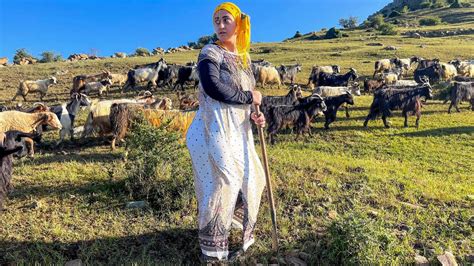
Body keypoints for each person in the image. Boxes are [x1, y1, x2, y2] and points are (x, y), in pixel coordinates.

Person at [185, 2, 266, 262]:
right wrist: (248, 95)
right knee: (222, 183)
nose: (220, 25)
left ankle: (232, 228)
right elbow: (212, 87)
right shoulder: (210, 52)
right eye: (216, 20)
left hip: (238, 129)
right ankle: (212, 251)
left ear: (238, 23)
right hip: (212, 127)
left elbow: (248, 102)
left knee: (254, 177)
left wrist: (256, 114)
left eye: (225, 20)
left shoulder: (244, 60)